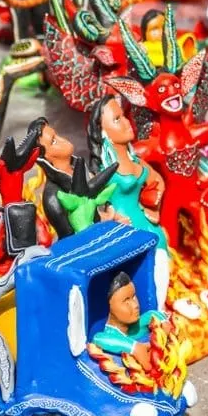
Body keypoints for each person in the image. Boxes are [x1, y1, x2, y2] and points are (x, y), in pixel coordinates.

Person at [88, 95, 170, 300]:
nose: (126, 122)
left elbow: (158, 180)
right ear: (104, 132)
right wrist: (108, 217)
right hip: (124, 228)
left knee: (160, 250)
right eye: (117, 119)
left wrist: (153, 208)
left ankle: (158, 310)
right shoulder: (102, 169)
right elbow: (93, 201)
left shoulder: (136, 160)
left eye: (124, 116)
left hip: (145, 223)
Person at [29, 116, 126, 239]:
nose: (62, 140)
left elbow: (98, 200)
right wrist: (109, 226)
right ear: (45, 157)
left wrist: (111, 214)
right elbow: (70, 236)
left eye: (57, 135)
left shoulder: (79, 168)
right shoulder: (53, 195)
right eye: (53, 141)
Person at [91, 271, 169, 368]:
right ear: (109, 307)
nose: (135, 305)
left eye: (134, 297)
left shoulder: (134, 327)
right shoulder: (108, 336)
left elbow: (150, 315)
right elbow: (99, 338)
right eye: (126, 301)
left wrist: (163, 320)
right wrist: (134, 348)